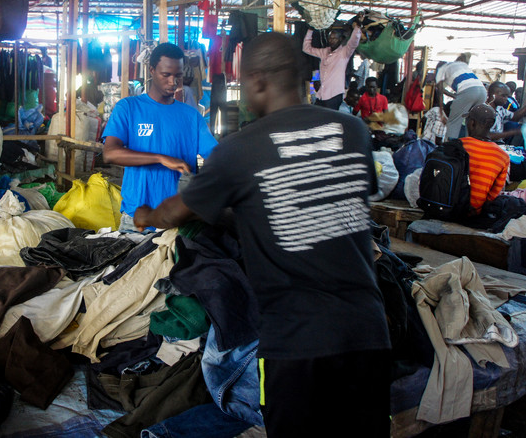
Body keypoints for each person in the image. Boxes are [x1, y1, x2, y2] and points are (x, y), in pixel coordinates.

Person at [134, 32, 391, 437]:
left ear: (256, 80)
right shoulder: (353, 130)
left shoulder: (241, 148)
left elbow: (171, 214)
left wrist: (144, 214)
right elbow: (319, 201)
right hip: (369, 333)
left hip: (295, 342)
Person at [101, 42, 217, 230]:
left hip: (176, 221)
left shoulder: (191, 116)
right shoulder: (129, 108)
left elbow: (214, 156)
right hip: (136, 221)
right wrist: (161, 158)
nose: (173, 82)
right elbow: (110, 153)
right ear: (152, 70)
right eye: (166, 75)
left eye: (178, 76)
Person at [303, 13, 364, 110]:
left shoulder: (344, 53)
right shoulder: (324, 52)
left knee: (330, 121)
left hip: (334, 96)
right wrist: (310, 30)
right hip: (321, 95)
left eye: (334, 38)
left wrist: (358, 27)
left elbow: (353, 42)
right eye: (330, 38)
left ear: (340, 39)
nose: (331, 40)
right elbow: (306, 49)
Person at [460, 104, 510, 215]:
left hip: (445, 208)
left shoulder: (457, 145)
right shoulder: (503, 156)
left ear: (472, 123)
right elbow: (493, 195)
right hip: (474, 214)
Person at [435, 54, 487, 140]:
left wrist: (441, 112)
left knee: (453, 123)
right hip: (482, 92)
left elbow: (440, 90)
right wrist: (454, 95)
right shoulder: (460, 65)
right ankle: (471, 145)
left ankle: (450, 148)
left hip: (468, 92)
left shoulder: (441, 69)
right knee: (470, 122)